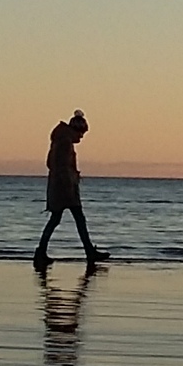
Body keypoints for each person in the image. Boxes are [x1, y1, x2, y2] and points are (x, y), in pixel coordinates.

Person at [33, 110, 107, 266]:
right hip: (65, 188)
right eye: (81, 134)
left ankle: (41, 252)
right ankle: (89, 252)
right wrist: (69, 182)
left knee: (57, 220)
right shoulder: (65, 142)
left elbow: (51, 163)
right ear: (76, 130)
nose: (81, 137)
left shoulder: (61, 140)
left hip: (60, 186)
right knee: (77, 219)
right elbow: (60, 166)